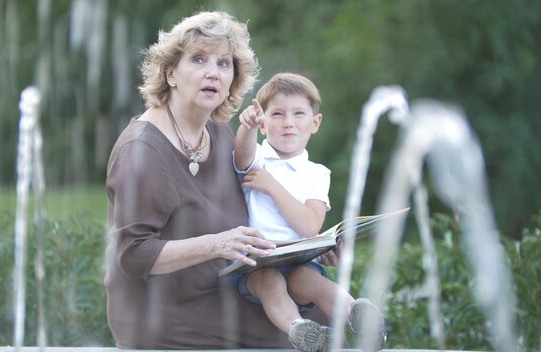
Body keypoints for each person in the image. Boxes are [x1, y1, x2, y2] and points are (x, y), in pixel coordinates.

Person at [103, 11, 333, 349]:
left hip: (227, 289)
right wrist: (216, 244)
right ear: (171, 73)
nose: (213, 72)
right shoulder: (142, 150)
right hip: (164, 313)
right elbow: (133, 255)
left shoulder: (220, 133)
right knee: (299, 335)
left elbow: (258, 213)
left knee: (322, 317)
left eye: (224, 63)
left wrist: (311, 244)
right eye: (198, 59)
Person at [233, 72, 387, 351]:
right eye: (277, 114)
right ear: (264, 123)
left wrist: (271, 186)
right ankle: (300, 330)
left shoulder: (317, 174)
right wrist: (246, 127)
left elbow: (309, 227)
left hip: (300, 259)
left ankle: (359, 315)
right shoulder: (257, 158)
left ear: (315, 123)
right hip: (256, 261)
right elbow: (241, 152)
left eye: (299, 114)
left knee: (314, 283)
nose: (288, 122)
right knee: (270, 285)